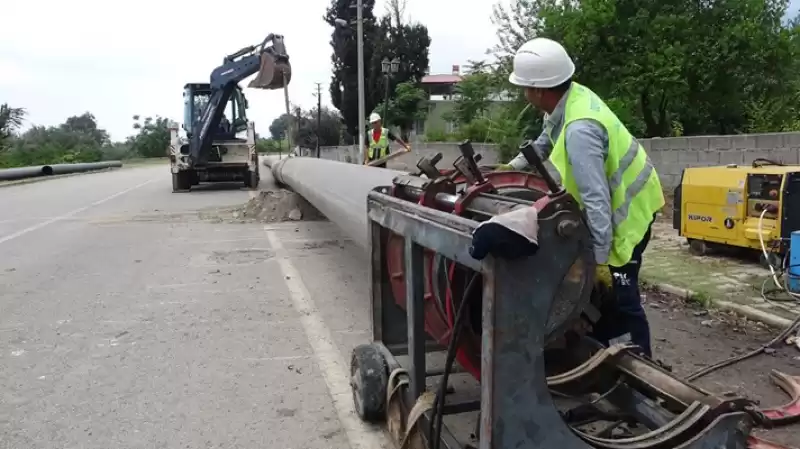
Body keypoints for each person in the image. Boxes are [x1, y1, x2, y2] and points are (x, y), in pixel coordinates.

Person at [499, 37, 665, 358]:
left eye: (525, 87)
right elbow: (545, 142)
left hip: (628, 214)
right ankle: (599, 357)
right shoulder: (569, 100)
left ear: (539, 90)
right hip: (620, 205)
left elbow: (597, 200)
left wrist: (601, 261)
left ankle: (642, 368)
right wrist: (511, 168)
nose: (523, 93)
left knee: (619, 293)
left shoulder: (579, 131)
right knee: (596, 294)